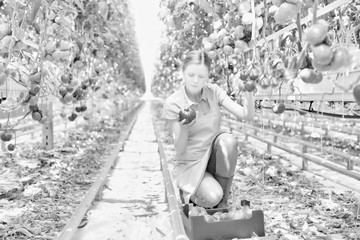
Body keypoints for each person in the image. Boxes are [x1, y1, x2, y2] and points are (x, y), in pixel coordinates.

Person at [161, 50, 255, 208]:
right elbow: (180, 149)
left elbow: (246, 115)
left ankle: (222, 202)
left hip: (212, 159)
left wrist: (250, 91)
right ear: (183, 72)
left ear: (208, 76)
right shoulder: (174, 103)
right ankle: (191, 193)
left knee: (228, 141)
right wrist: (184, 128)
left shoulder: (214, 92)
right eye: (191, 75)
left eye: (201, 76)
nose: (196, 81)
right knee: (212, 197)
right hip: (190, 164)